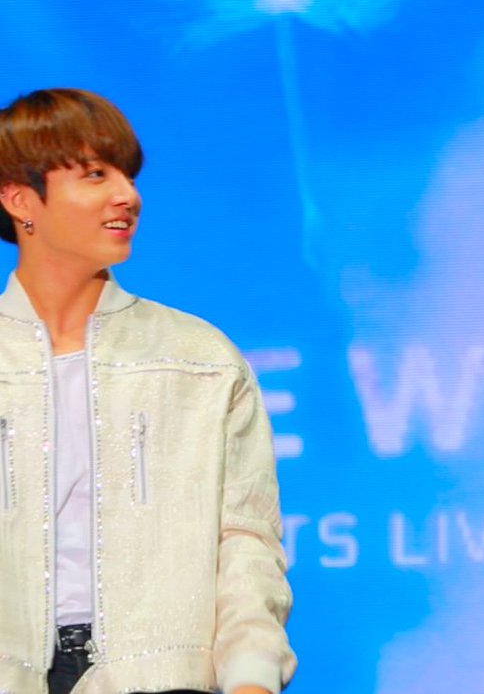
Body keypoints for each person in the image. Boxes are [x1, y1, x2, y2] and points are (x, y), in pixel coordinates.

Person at [0, 88, 296, 694]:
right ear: (20, 199)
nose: (126, 196)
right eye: (95, 174)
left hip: (161, 677)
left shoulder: (198, 357)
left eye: (128, 176)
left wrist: (252, 678)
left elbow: (245, 541)